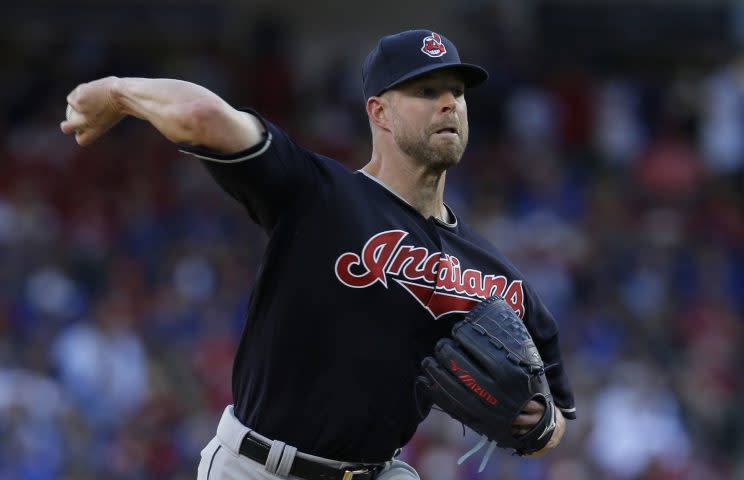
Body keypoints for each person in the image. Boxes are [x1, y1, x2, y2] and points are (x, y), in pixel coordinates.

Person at [61, 29, 576, 480]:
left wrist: (541, 425)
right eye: (426, 91)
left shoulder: (496, 278)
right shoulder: (318, 194)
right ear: (379, 111)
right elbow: (201, 115)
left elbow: (558, 415)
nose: (449, 104)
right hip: (261, 468)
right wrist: (117, 92)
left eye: (457, 92)